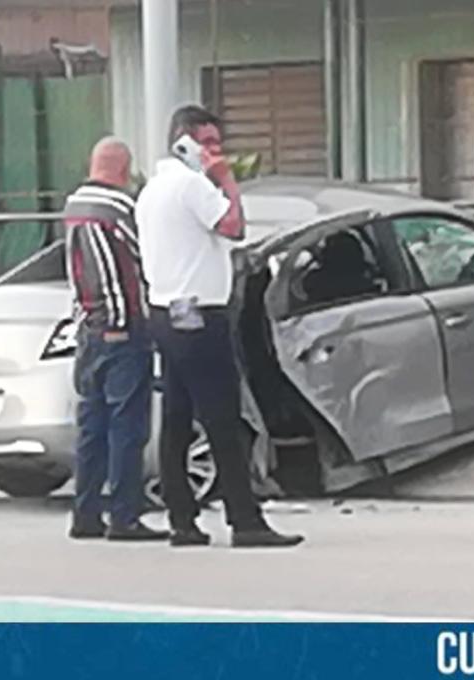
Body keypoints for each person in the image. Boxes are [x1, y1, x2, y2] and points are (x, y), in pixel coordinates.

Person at [136, 105, 304, 549]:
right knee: (222, 417)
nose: (215, 152)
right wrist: (226, 179)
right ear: (184, 142)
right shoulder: (193, 185)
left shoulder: (152, 188)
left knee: (176, 416)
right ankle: (244, 520)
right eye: (207, 144)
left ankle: (182, 518)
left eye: (217, 145)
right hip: (198, 313)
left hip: (166, 310)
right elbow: (233, 227)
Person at [64, 137, 168, 542]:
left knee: (92, 427)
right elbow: (149, 258)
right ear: (124, 170)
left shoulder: (73, 207)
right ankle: (125, 516)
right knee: (128, 427)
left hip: (89, 331)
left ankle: (85, 512)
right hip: (125, 328)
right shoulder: (121, 209)